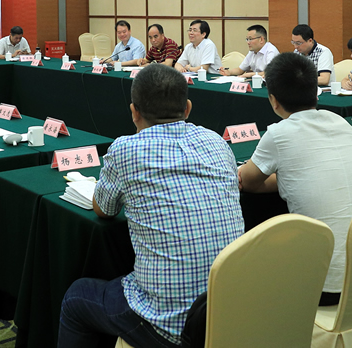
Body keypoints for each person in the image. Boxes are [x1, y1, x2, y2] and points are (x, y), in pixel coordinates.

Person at [58, 65, 243, 348]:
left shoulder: (125, 149)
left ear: (134, 112)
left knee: (76, 297)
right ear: (188, 108)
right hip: (228, 311)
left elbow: (104, 210)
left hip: (168, 326)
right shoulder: (216, 141)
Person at [238, 53, 352, 306]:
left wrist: (284, 176)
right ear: (316, 93)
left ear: (273, 100)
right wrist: (290, 176)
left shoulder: (278, 133)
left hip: (323, 285)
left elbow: (247, 182)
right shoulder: (341, 123)